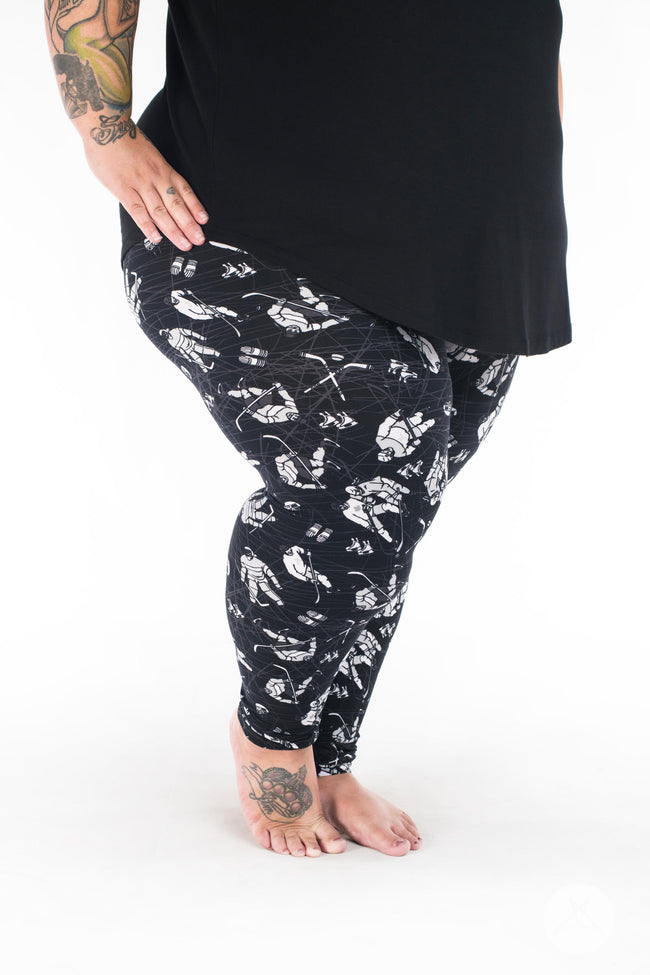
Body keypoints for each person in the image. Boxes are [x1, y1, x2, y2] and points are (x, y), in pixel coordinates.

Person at [45, 0, 571, 859]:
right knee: (373, 463)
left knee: (392, 506)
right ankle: (272, 737)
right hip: (244, 210)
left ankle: (331, 756)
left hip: (474, 228)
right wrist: (103, 133)